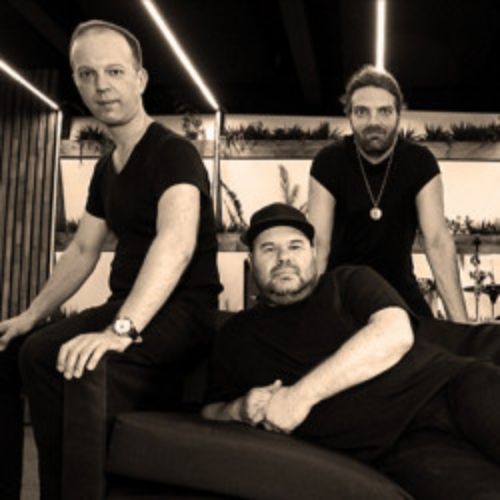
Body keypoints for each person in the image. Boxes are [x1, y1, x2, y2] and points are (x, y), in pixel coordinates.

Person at [0, 20, 221, 500]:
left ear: (140, 79)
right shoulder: (107, 168)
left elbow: (177, 243)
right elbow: (83, 250)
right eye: (87, 74)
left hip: (184, 311)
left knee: (77, 365)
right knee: (21, 350)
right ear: (78, 84)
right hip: (128, 304)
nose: (101, 85)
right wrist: (31, 315)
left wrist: (121, 330)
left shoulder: (173, 153)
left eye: (115, 71)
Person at [203, 203, 500, 499]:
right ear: (251, 260)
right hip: (398, 447)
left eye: (295, 246)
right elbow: (209, 411)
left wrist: (298, 397)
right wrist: (239, 409)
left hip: (451, 387)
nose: (284, 258)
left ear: (313, 254)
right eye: (268, 249)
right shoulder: (237, 335)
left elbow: (395, 332)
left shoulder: (348, 282)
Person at [308, 64, 467, 321]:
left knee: (432, 342)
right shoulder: (329, 162)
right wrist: (309, 315)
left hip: (401, 292)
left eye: (384, 111)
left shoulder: (420, 162)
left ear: (398, 114)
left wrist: (462, 326)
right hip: (343, 293)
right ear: (349, 115)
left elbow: (437, 241)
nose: (374, 122)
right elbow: (318, 244)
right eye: (362, 111)